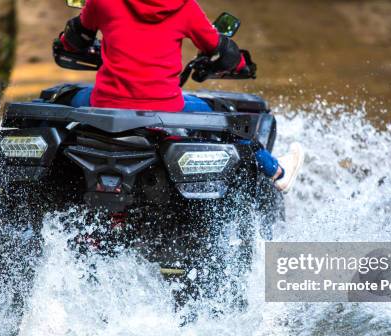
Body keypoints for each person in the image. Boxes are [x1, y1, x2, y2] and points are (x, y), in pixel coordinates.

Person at [60, 0, 303, 192]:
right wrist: (240, 64)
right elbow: (219, 48)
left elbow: (74, 39)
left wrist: (66, 42)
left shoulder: (102, 2)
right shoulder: (185, 7)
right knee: (231, 122)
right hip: (166, 109)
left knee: (60, 98)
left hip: (105, 104)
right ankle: (277, 172)